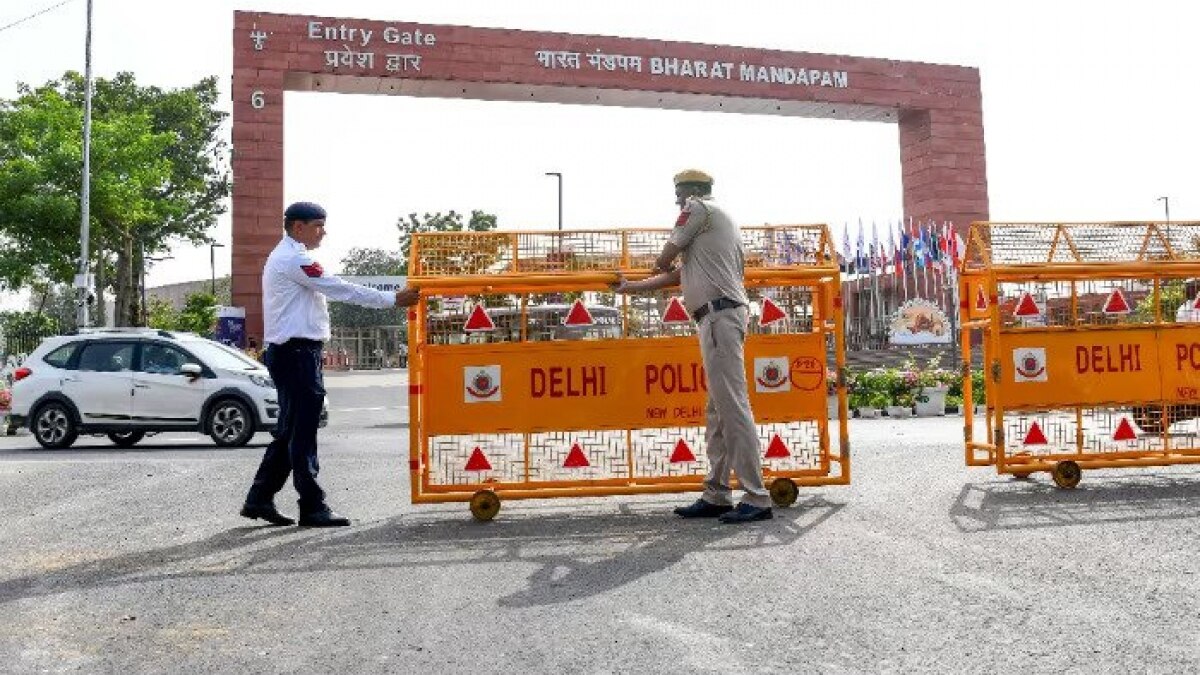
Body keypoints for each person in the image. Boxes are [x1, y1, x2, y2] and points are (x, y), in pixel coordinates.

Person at [241, 201, 420, 527]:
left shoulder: (286, 257)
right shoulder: (295, 259)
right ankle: (312, 506)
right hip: (296, 354)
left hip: (291, 353)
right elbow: (340, 288)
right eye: (318, 225)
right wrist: (392, 299)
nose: (324, 231)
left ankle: (259, 498)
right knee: (303, 433)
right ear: (298, 227)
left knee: (289, 431)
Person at [611, 169, 773, 524]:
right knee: (718, 411)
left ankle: (758, 497)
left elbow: (665, 260)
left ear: (695, 191)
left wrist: (659, 261)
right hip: (717, 317)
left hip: (719, 316)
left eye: (679, 193)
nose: (677, 201)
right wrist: (632, 288)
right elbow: (674, 276)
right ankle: (716, 493)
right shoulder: (715, 223)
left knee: (732, 407)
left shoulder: (699, 209)